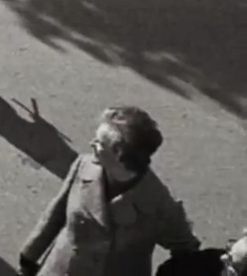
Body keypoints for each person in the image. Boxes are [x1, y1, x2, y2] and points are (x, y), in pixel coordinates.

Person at [18, 106, 201, 276]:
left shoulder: (159, 206)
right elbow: (56, 213)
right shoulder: (84, 165)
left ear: (118, 154)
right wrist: (28, 257)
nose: (91, 144)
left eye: (99, 143)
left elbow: (186, 251)